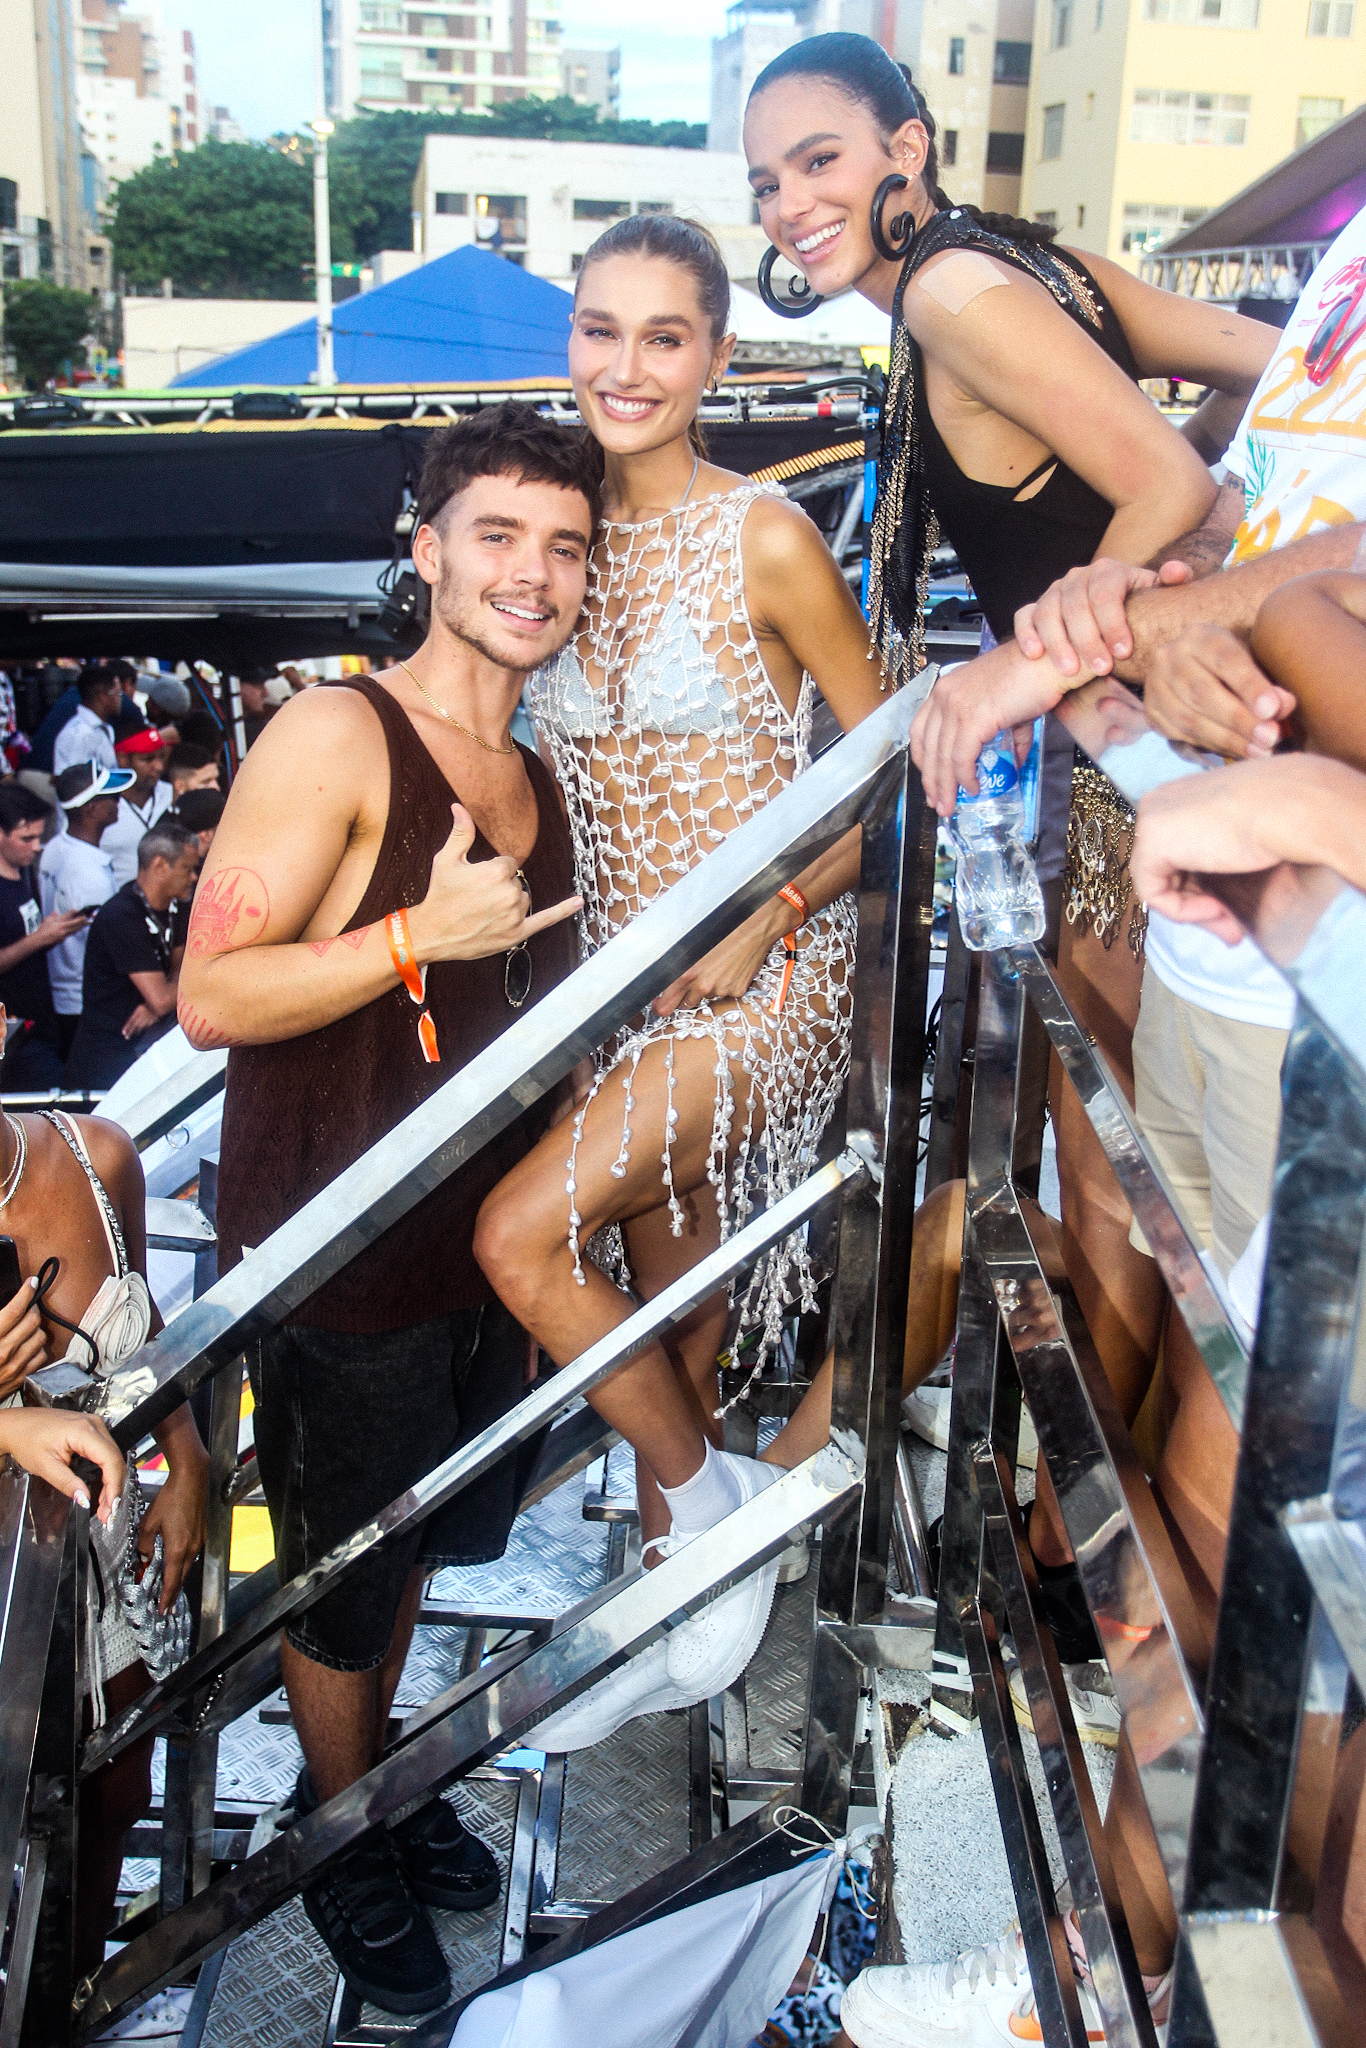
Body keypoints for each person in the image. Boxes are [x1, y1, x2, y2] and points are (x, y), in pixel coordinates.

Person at [742, 30, 1278, 1645]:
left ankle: (1071, 1560)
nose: (787, 203)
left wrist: (1059, 635)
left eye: (819, 159)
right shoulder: (1024, 267)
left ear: (906, 147)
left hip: (1124, 782)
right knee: (1113, 1179)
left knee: (1116, 1195)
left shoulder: (953, 300)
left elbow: (1164, 471)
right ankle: (1078, 1544)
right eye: (765, 180)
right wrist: (1217, 534)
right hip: (1143, 752)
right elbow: (1285, 355)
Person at [176, 401, 591, 2018]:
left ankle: (367, 1788)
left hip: (472, 1253)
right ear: (426, 549)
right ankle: (337, 1830)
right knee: (343, 1579)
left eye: (563, 545)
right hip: (340, 1256)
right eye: (496, 534)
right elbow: (213, 989)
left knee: (406, 1549)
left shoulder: (536, 772)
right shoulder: (339, 737)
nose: (531, 573)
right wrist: (414, 929)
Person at [471, 213, 888, 1756]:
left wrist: (769, 915)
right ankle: (672, 1605)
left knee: (523, 1235)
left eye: (664, 336)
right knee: (671, 1308)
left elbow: (894, 776)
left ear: (715, 355)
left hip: (769, 973)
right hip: (624, 993)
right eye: (599, 329)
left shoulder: (764, 535)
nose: (625, 366)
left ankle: (720, 1529)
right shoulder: (553, 542)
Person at [0, 1061, 207, 2008]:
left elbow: (144, 1320)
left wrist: (189, 1452)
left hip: (101, 1567)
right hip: (8, 1599)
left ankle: (67, 2002)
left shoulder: (97, 1155)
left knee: (115, 1788)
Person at [65, 821, 200, 1090]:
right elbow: (162, 998)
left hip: (141, 1055)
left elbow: (180, 968)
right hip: (107, 1063)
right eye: (188, 868)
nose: (194, 877)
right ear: (161, 865)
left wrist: (163, 997)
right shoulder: (121, 916)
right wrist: (165, 998)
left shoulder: (177, 907)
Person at [38, 763, 134, 1058]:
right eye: (112, 796)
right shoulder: (88, 874)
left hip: (65, 993)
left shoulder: (56, 847)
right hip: (84, 1001)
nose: (119, 801)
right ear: (91, 809)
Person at [0, 785, 89, 1088]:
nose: (37, 847)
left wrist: (54, 931)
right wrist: (39, 939)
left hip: (41, 1019)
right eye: (27, 838)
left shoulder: (23, 872)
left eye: (39, 837)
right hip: (15, 1036)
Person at [101, 729, 172, 888]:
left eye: (161, 757)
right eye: (148, 759)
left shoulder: (172, 795)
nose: (159, 766)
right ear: (123, 759)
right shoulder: (103, 806)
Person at [51, 663, 127, 779]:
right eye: (118, 693)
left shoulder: (105, 729)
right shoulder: (78, 734)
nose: (120, 699)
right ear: (102, 697)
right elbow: (75, 784)